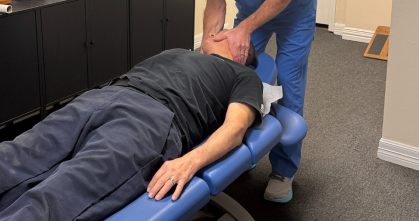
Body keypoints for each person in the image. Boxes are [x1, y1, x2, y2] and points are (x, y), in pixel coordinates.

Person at [0, 33, 263, 221]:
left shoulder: (244, 76)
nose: (217, 33)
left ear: (240, 50)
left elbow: (236, 128)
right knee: (14, 157)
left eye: (226, 34)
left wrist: (189, 162)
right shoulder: (180, 51)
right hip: (101, 96)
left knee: (61, 192)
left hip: (152, 120)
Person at [169, 0, 317, 203]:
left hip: (294, 8)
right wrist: (209, 45)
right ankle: (232, 148)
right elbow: (215, 1)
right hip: (253, 11)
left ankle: (283, 170)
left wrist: (243, 30)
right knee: (227, 73)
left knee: (288, 82)